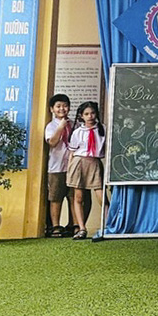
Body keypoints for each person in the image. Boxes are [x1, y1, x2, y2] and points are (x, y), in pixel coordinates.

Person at [66, 101, 105, 240]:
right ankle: (82, 228)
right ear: (81, 116)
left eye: (92, 113)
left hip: (94, 163)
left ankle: (108, 226)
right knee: (78, 197)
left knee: (102, 197)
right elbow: (72, 152)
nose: (90, 116)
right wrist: (69, 170)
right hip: (79, 163)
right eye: (86, 114)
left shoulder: (102, 129)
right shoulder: (78, 132)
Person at [43, 94, 73, 238]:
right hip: (56, 167)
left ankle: (73, 225)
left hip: (72, 166)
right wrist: (61, 127)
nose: (62, 109)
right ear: (52, 109)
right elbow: (52, 142)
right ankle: (56, 226)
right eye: (58, 106)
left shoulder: (74, 124)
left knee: (73, 197)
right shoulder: (51, 126)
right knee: (56, 197)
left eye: (65, 106)